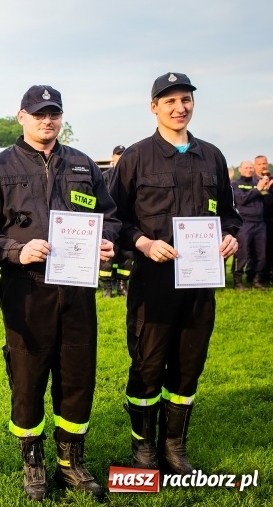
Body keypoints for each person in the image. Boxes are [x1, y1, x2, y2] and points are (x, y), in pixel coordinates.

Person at [0, 85, 118, 501]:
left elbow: (109, 217)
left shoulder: (84, 165)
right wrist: (17, 251)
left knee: (77, 375)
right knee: (28, 376)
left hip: (76, 291)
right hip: (26, 289)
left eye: (54, 113)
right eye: (38, 114)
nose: (47, 120)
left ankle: (72, 462)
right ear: (22, 117)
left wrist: (106, 240)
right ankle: (32, 462)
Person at [110, 73, 241, 476]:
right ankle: (144, 448)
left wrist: (231, 237)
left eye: (185, 100)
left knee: (188, 365)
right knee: (148, 365)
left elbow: (229, 217)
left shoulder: (213, 157)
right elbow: (116, 219)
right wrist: (144, 243)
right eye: (169, 102)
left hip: (200, 284)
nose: (179, 107)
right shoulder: (136, 157)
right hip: (154, 282)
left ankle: (174, 445)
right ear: (154, 107)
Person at [99, 145, 134, 297]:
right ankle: (107, 287)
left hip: (126, 222)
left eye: (123, 154)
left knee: (127, 256)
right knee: (107, 256)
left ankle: (122, 285)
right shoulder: (104, 176)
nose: (120, 157)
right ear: (112, 156)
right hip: (108, 223)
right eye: (118, 154)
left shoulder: (132, 175)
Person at [231, 161, 270, 289]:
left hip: (260, 223)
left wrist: (265, 191)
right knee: (242, 253)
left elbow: (267, 202)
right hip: (244, 223)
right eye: (246, 167)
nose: (249, 169)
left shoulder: (257, 183)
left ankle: (255, 279)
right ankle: (238, 281)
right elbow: (241, 200)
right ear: (240, 170)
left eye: (251, 167)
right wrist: (257, 190)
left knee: (260, 253)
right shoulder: (235, 184)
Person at [253, 155, 273, 284]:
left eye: (264, 163)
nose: (263, 166)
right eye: (260, 164)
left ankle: (267, 276)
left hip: (271, 220)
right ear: (255, 166)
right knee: (258, 251)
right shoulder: (252, 181)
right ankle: (254, 275)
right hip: (257, 220)